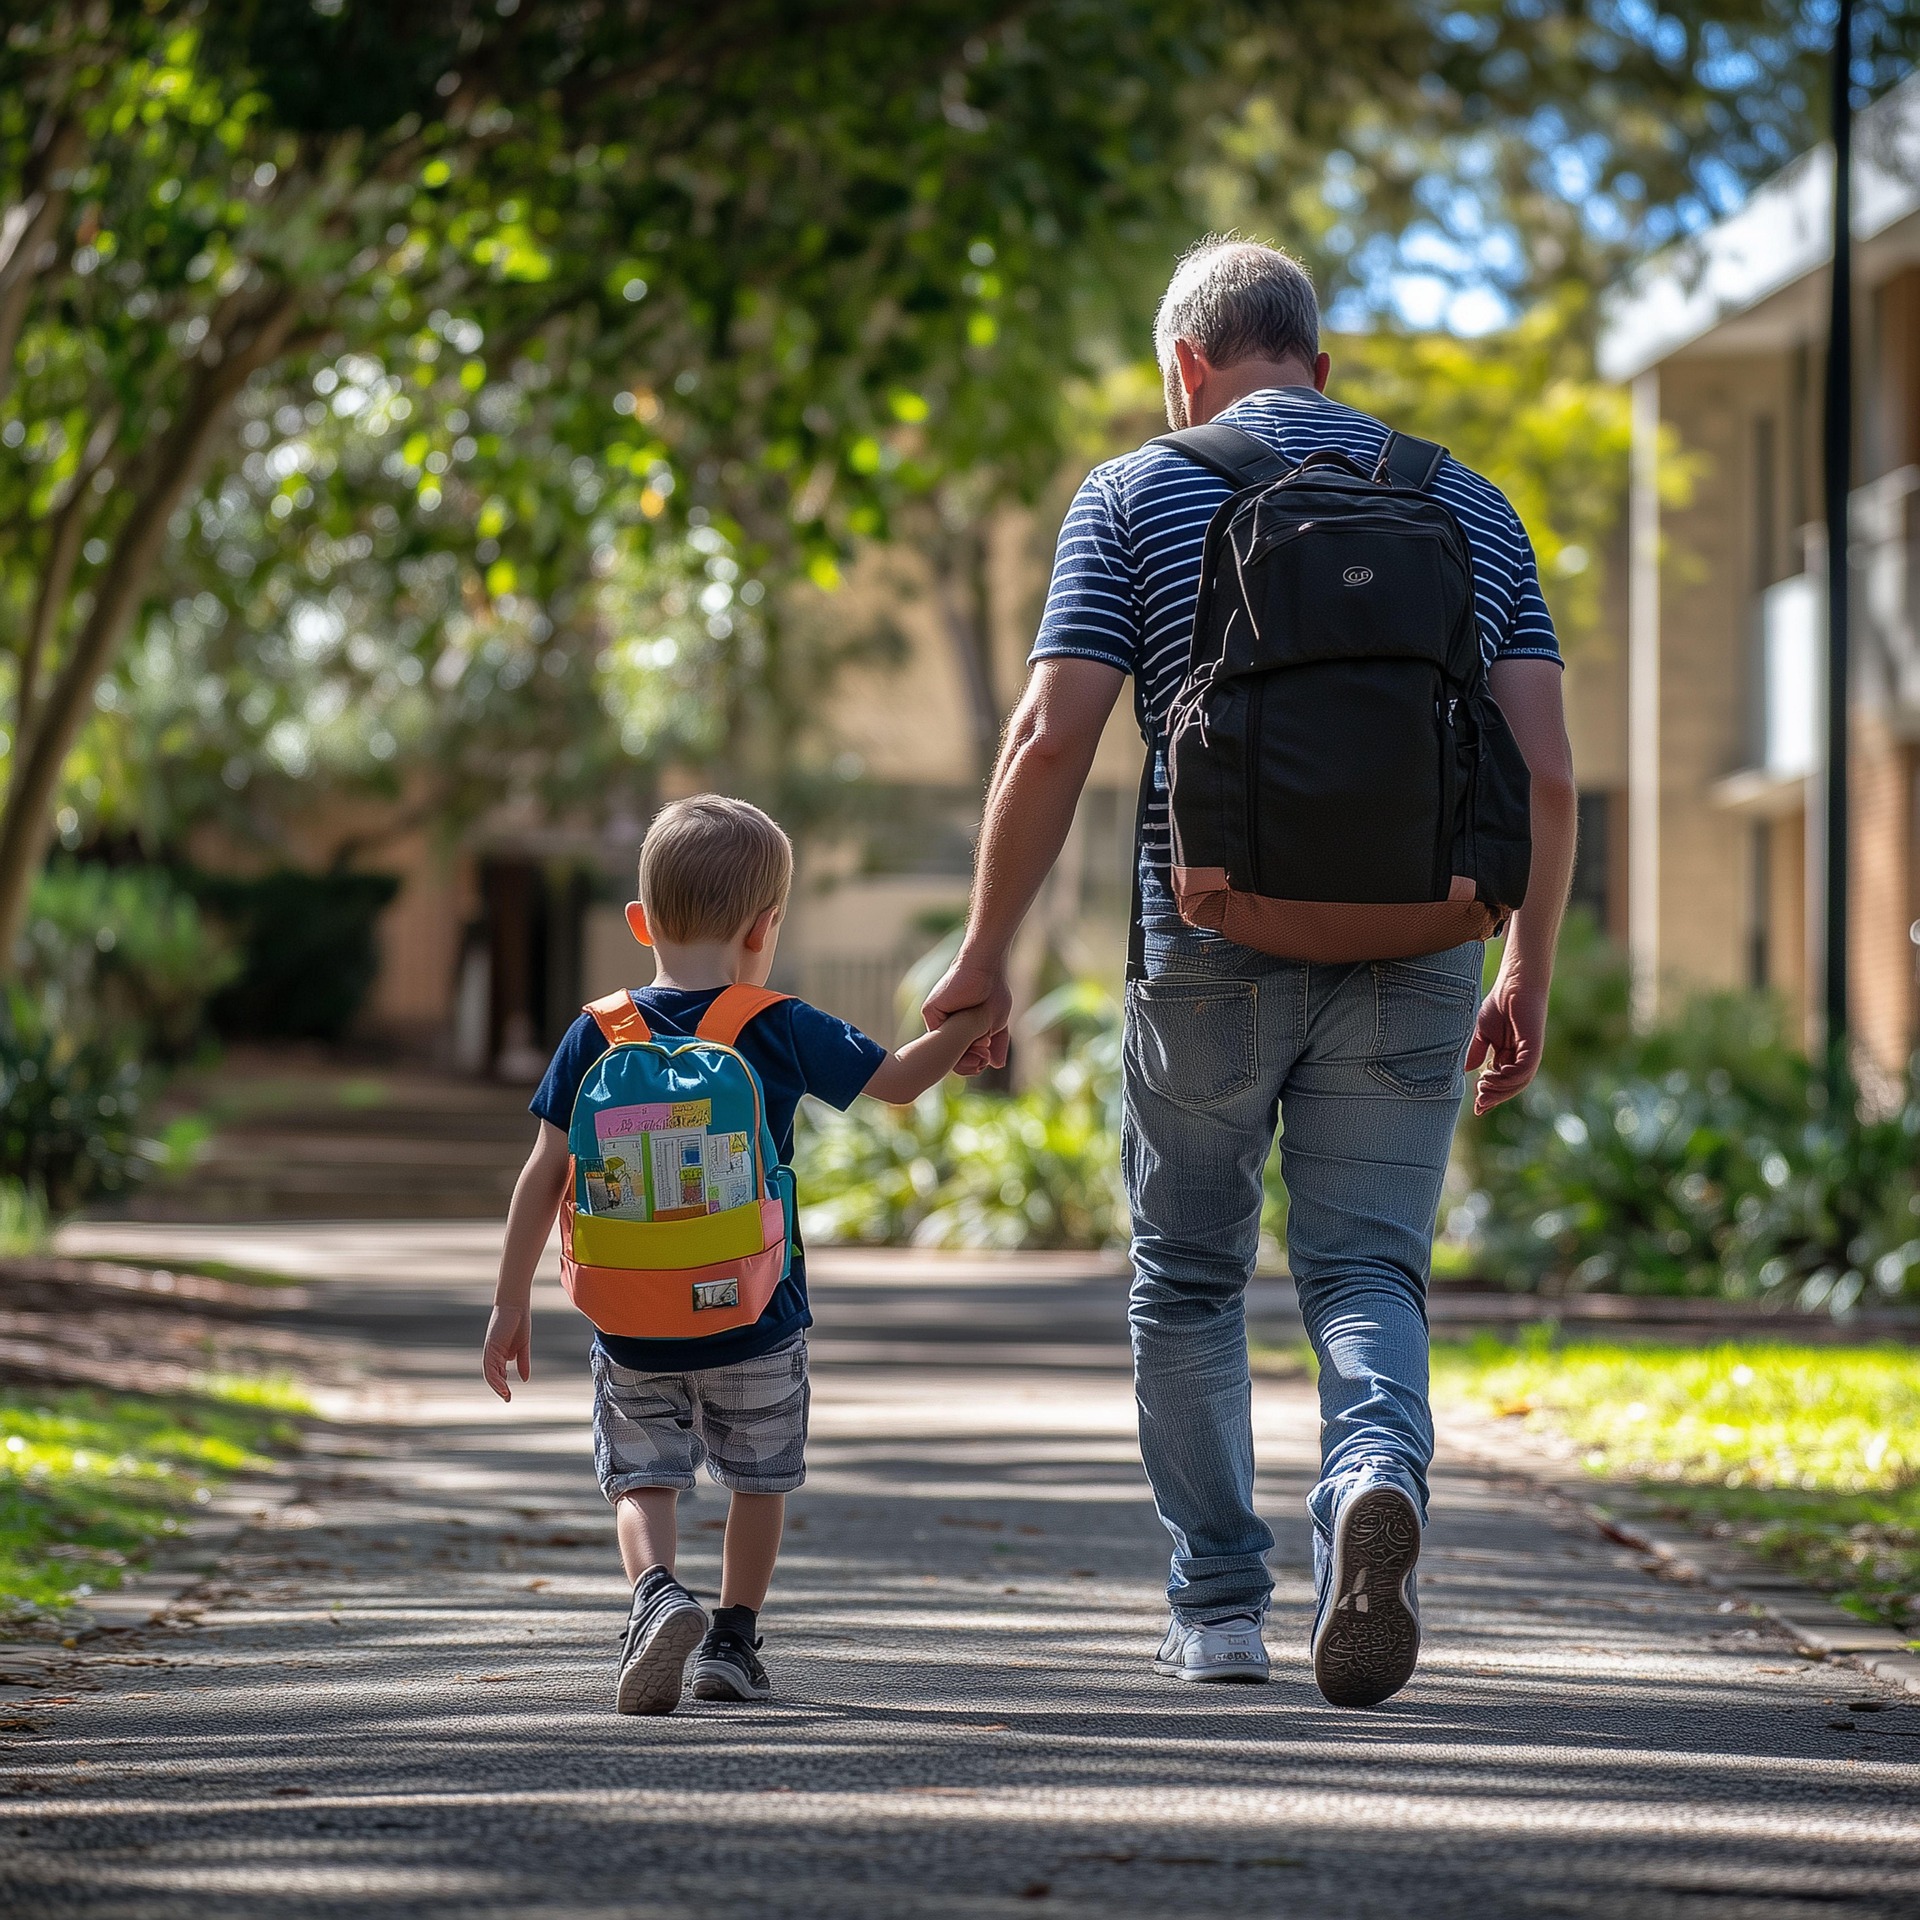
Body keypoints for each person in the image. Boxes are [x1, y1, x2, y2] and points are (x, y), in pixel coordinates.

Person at [923, 238, 1576, 1707]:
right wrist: (1526, 964)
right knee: (1365, 1265)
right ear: (1323, 368)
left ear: (1183, 369)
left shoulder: (1139, 491)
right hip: (1422, 943)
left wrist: (986, 954)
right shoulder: (1468, 500)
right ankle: (1365, 1482)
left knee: (1188, 1271)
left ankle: (1220, 1607)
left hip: (1207, 936)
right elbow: (1544, 765)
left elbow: (1049, 738)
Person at [483, 795, 992, 1715]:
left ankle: (654, 1599)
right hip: (757, 1316)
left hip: (632, 1320)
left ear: (640, 922)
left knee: (641, 1476)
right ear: (766, 928)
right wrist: (966, 1023)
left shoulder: (595, 1032)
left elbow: (542, 1176)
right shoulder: (777, 1023)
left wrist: (508, 1302)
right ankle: (731, 1639)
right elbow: (906, 1082)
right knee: (759, 1481)